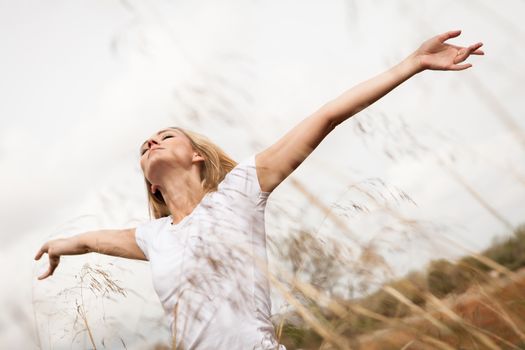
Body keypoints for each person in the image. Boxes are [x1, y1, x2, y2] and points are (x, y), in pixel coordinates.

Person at [34, 29, 483, 349]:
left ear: (197, 156)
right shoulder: (155, 237)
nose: (150, 141)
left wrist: (411, 64)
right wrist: (57, 245)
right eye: (143, 146)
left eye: (166, 136)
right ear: (151, 186)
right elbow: (91, 241)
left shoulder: (239, 193)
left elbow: (326, 116)